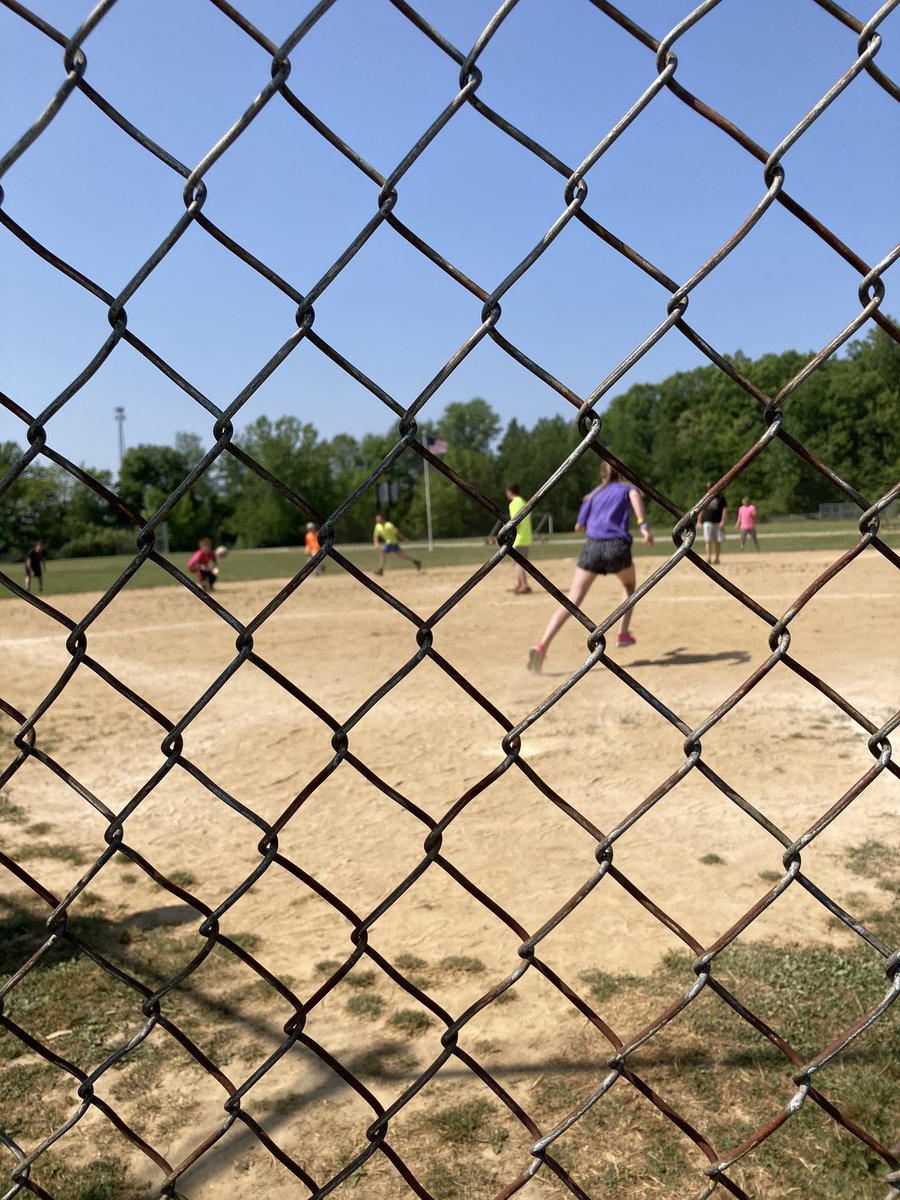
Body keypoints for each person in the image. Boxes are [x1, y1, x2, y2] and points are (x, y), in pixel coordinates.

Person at [527, 463, 653, 672]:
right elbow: (636, 501)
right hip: (616, 547)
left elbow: (579, 527)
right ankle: (622, 632)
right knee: (630, 586)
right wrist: (644, 527)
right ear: (620, 472)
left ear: (601, 474)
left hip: (592, 547)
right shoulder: (627, 488)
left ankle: (542, 646)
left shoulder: (593, 494)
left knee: (572, 600)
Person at [505, 483, 533, 594]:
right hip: (526, 537)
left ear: (510, 491)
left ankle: (524, 585)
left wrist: (509, 533)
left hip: (518, 538)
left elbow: (515, 521)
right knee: (519, 562)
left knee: (518, 563)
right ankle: (518, 583)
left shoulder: (514, 503)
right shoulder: (523, 502)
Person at [700, 483, 727, 565]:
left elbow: (724, 510)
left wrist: (723, 521)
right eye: (709, 487)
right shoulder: (705, 497)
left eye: (711, 487)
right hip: (707, 521)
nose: (710, 488)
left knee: (717, 540)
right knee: (707, 540)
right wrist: (698, 521)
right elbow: (700, 509)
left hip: (717, 522)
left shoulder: (720, 498)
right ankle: (708, 557)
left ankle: (717, 558)